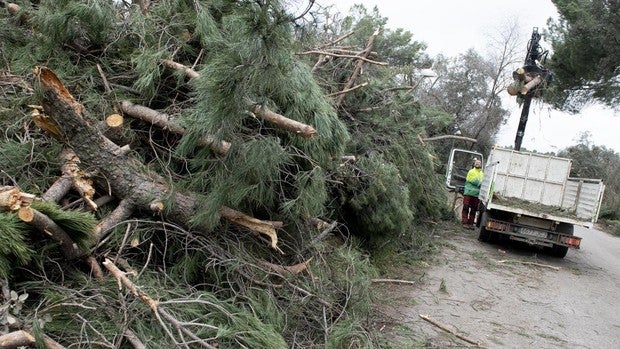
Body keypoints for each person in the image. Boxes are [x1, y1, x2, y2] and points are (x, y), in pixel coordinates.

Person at [461, 159, 483, 229]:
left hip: (476, 195)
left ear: (481, 165)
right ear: (474, 164)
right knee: (466, 208)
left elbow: (482, 182)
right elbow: (474, 181)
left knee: (473, 209)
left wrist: (481, 183)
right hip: (468, 193)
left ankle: (470, 224)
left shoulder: (482, 174)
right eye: (476, 163)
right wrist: (480, 183)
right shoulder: (471, 171)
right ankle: (464, 222)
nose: (477, 164)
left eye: (479, 163)